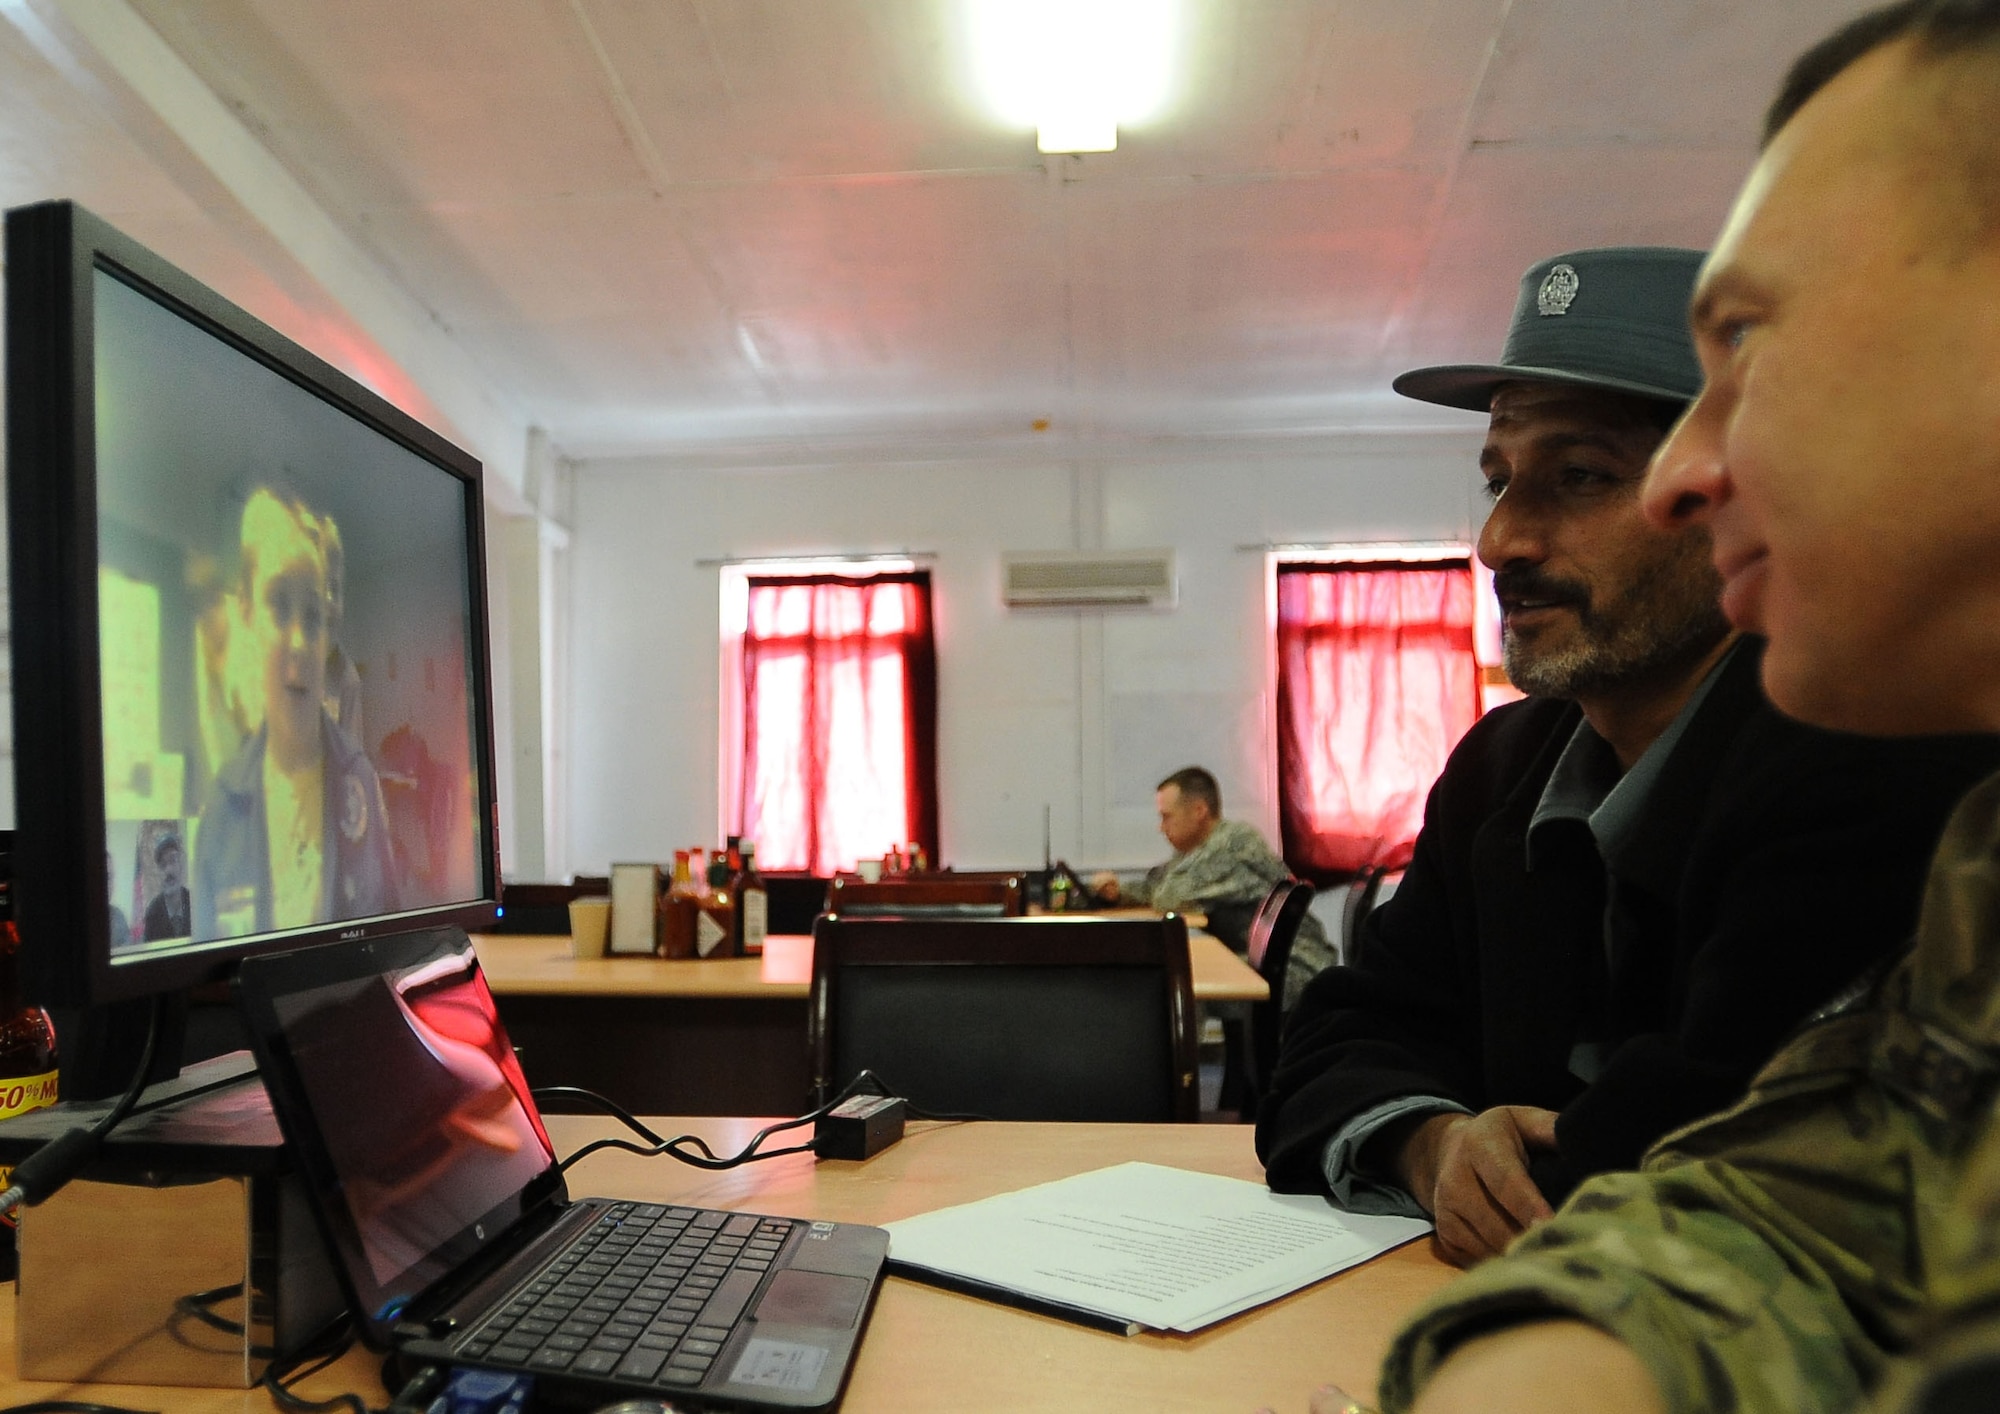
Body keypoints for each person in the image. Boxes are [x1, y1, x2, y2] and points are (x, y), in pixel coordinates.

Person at [1374, 3, 2000, 1411]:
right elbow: (1785, 1216)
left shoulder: (1889, 763)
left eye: (1759, 353)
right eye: (1499, 478)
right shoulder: (1986, 879)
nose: (1688, 478)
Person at [1255, 245, 2000, 1270]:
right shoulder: (1499, 768)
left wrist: (1494, 1161)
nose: (1498, 541)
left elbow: (1705, 1161)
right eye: (1496, 480)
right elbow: (1330, 1040)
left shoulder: (1873, 756)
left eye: (1577, 477)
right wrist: (1432, 1144)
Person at [195, 487, 398, 939]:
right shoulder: (222, 812)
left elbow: (391, 943)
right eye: (279, 606)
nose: (300, 642)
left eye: (313, 618)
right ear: (247, 613)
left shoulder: (360, 782)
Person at [1091, 766, 1335, 1006]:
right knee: (1180, 971)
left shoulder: (1232, 844)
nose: (1161, 827)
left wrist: (1145, 891)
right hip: (1266, 960)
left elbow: (1170, 896)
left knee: (1178, 975)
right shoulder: (1200, 848)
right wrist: (1116, 893)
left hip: (1296, 966)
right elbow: (1157, 885)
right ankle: (1184, 1046)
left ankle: (1182, 1046)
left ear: (1198, 811)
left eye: (1167, 816)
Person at [141, 832, 191, 941]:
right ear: (158, 873)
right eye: (163, 865)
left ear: (181, 865)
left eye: (173, 861)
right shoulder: (152, 913)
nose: (168, 870)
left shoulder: (195, 903)